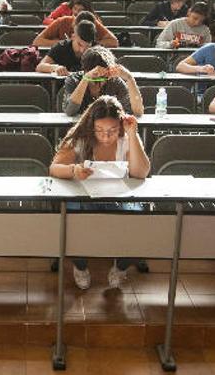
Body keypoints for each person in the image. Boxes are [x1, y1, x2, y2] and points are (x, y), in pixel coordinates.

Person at [49, 96, 150, 290]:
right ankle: (80, 266)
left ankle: (120, 268)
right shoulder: (80, 137)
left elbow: (141, 173)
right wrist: (74, 170)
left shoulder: (126, 138)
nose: (105, 136)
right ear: (91, 126)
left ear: (120, 126)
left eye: (112, 131)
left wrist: (133, 134)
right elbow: (54, 168)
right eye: (100, 131)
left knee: (140, 218)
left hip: (119, 197)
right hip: (85, 196)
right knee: (73, 219)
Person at [63, 47, 144, 116]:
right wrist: (86, 79)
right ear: (85, 70)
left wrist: (129, 78)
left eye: (104, 77)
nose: (100, 82)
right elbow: (70, 111)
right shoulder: (73, 80)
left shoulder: (114, 81)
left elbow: (138, 112)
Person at [33, 10, 118, 48]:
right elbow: (37, 41)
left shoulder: (92, 22)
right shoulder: (62, 21)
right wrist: (64, 43)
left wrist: (90, 43)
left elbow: (114, 41)